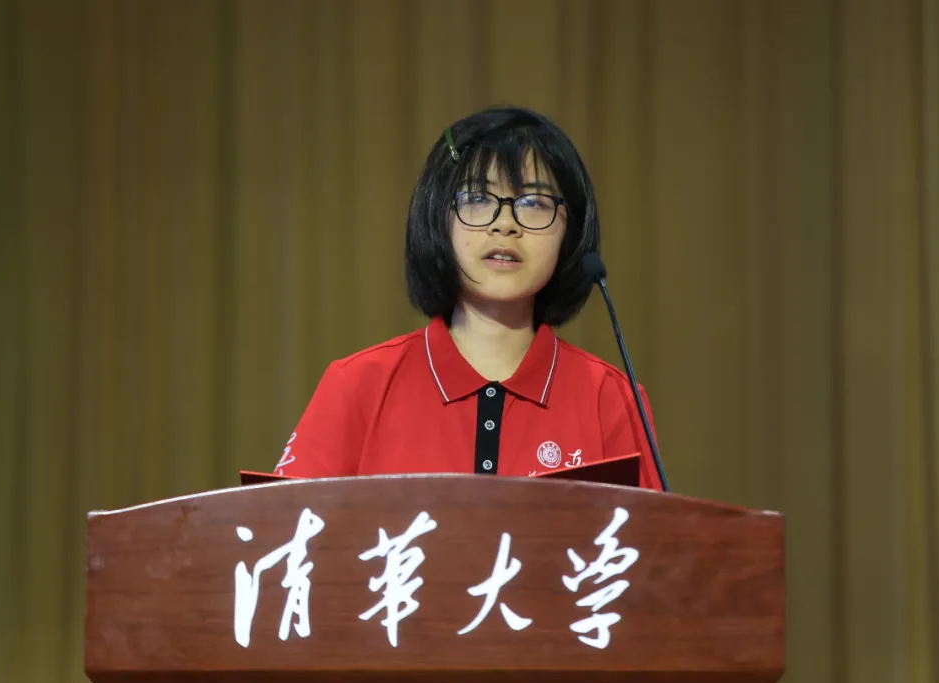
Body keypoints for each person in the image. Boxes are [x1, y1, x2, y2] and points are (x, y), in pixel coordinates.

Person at [272, 106, 663, 490]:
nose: (505, 224)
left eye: (534, 203)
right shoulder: (357, 385)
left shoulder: (611, 398)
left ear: (570, 233)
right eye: (477, 198)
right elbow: (279, 527)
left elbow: (654, 532)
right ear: (437, 217)